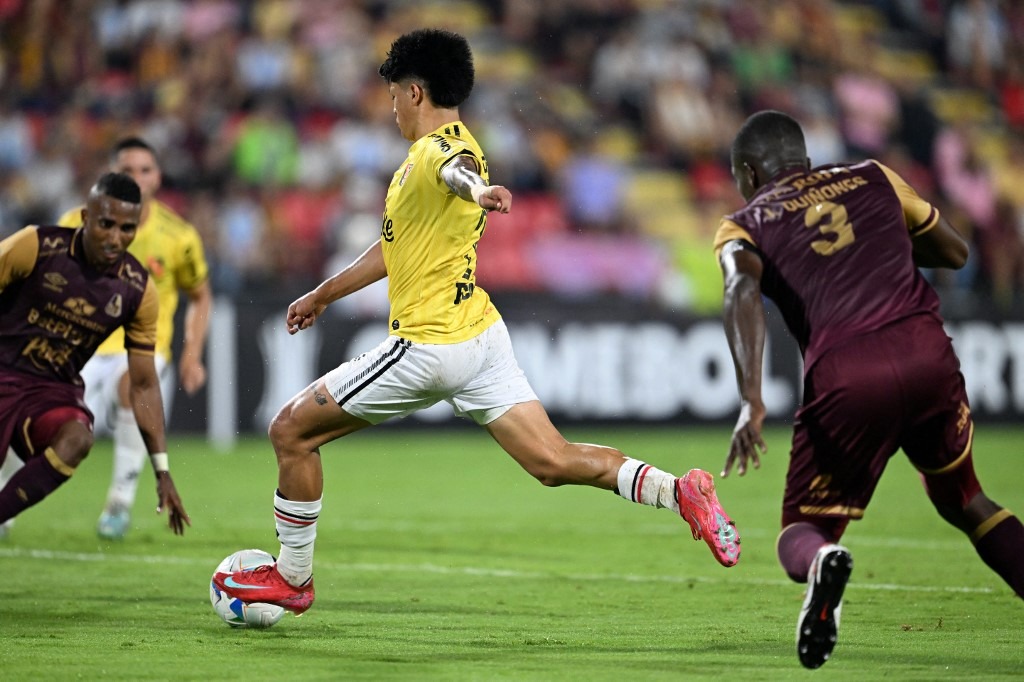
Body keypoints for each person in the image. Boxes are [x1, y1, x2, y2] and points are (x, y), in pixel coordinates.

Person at [213, 28, 741, 616]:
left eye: (392, 94)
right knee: (553, 461)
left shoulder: (439, 153)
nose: (390, 107)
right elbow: (393, 249)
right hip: (481, 338)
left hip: (429, 346)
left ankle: (293, 578)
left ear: (414, 92)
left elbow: (456, 173)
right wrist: (323, 294)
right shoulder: (455, 146)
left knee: (290, 431)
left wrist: (480, 188)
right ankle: (681, 491)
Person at [714, 110, 1024, 670]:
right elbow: (955, 251)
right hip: (929, 353)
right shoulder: (875, 175)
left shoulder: (744, 223)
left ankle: (825, 561)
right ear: (803, 161)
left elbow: (740, 290)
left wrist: (751, 399)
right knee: (966, 498)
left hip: (849, 375)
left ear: (751, 175)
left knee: (800, 532)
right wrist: (883, 244)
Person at [0, 137, 212, 541]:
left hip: (64, 379)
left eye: (126, 228)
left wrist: (162, 469)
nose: (115, 237)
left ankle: (118, 502)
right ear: (85, 216)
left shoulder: (146, 277)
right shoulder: (38, 243)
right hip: (19, 366)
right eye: (106, 225)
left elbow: (149, 379)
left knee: (78, 434)